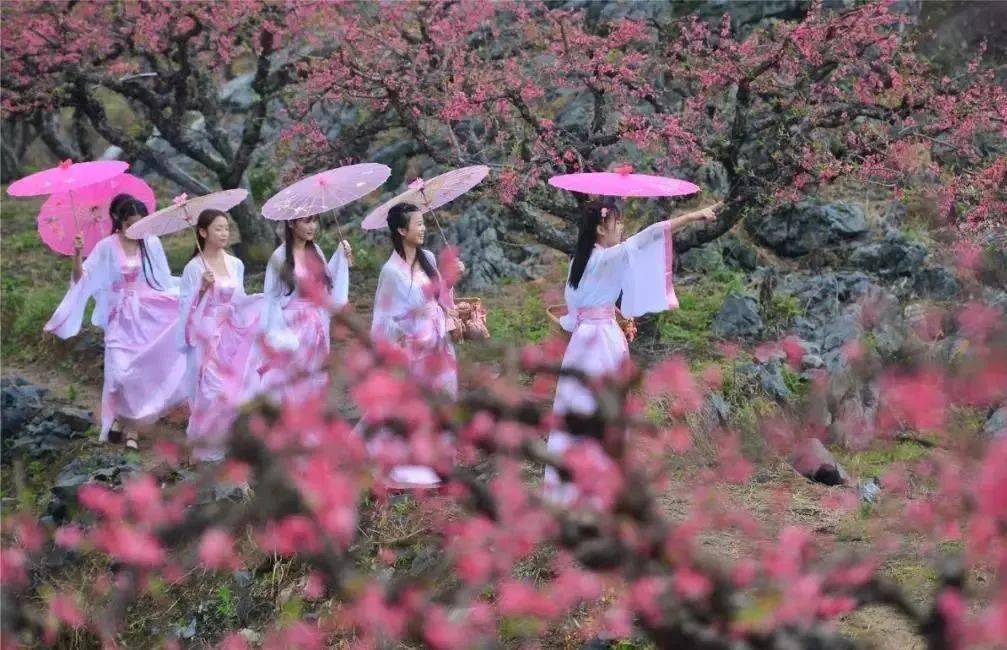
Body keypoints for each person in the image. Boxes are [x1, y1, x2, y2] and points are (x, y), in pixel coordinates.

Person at [544, 198, 721, 505]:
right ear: (601, 228)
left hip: (584, 341)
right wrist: (691, 216)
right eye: (617, 222)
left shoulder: (580, 261)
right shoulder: (606, 258)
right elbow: (648, 236)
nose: (622, 228)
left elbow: (576, 312)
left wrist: (613, 316)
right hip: (600, 342)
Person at [45, 194, 188, 449]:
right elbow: (83, 280)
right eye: (131, 223)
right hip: (121, 316)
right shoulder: (106, 247)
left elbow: (164, 279)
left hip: (149, 313)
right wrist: (77, 253)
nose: (136, 229)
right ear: (119, 221)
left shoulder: (151, 242)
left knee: (142, 370)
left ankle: (131, 429)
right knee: (120, 373)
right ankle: (119, 421)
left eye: (141, 223)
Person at [367, 202, 464, 488]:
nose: (423, 229)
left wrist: (451, 277)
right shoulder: (391, 272)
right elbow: (384, 318)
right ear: (401, 230)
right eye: (417, 224)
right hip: (413, 350)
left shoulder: (428, 259)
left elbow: (441, 297)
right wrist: (403, 335)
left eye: (423, 223)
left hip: (439, 343)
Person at [178, 209, 262, 462]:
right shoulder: (193, 268)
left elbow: (240, 299)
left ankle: (226, 444)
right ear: (203, 232)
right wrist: (201, 290)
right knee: (210, 390)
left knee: (235, 388)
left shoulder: (235, 264)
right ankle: (205, 448)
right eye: (218, 228)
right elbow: (184, 308)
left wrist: (259, 305)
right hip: (206, 334)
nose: (224, 233)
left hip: (232, 332)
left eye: (226, 228)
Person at [259, 215, 351, 402]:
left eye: (315, 221)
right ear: (291, 223)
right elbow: (271, 299)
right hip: (293, 325)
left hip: (316, 324)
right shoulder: (279, 256)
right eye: (307, 222)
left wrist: (341, 256)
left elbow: (325, 282)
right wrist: (278, 336)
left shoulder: (315, 251)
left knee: (316, 377)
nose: (312, 227)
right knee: (295, 378)